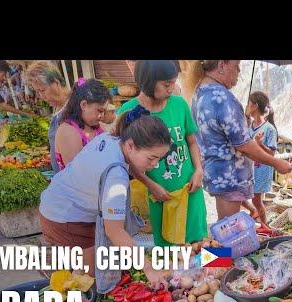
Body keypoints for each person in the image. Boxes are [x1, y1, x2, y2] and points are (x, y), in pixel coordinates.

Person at [38, 105, 173, 289]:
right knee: (91, 281)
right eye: (151, 158)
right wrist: (148, 268)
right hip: (65, 218)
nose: (155, 165)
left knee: (88, 272)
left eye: (159, 158)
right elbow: (114, 231)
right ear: (131, 145)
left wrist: (150, 183)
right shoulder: (116, 176)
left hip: (59, 200)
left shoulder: (112, 138)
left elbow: (130, 163)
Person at [117, 60, 207, 246]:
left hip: (190, 190)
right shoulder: (128, 112)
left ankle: (220, 272)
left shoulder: (180, 105)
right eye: (166, 84)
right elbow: (125, 160)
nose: (171, 89)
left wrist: (198, 169)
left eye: (173, 83)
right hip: (160, 197)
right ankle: (178, 277)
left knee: (203, 246)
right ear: (148, 81)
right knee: (169, 253)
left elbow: (191, 141)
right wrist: (151, 185)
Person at [191, 60, 292, 220]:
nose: (239, 72)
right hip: (230, 176)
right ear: (221, 65)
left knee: (227, 226)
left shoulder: (200, 91)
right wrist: (276, 163)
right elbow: (244, 145)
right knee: (230, 232)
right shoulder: (224, 99)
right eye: (237, 67)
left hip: (216, 173)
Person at [25, 60, 71, 172]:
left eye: (42, 90)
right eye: (38, 92)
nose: (41, 96)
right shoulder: (56, 106)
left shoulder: (72, 107)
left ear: (56, 83)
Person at [54, 78, 110, 170]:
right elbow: (78, 173)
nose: (102, 116)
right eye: (99, 110)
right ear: (83, 105)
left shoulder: (98, 127)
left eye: (104, 111)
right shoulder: (68, 132)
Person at [241, 91, 278, 227]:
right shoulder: (248, 127)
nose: (247, 106)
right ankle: (254, 213)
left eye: (249, 104)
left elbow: (272, 155)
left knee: (257, 201)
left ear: (255, 106)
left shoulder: (269, 129)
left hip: (261, 171)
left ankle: (265, 226)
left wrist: (260, 144)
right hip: (248, 169)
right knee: (239, 196)